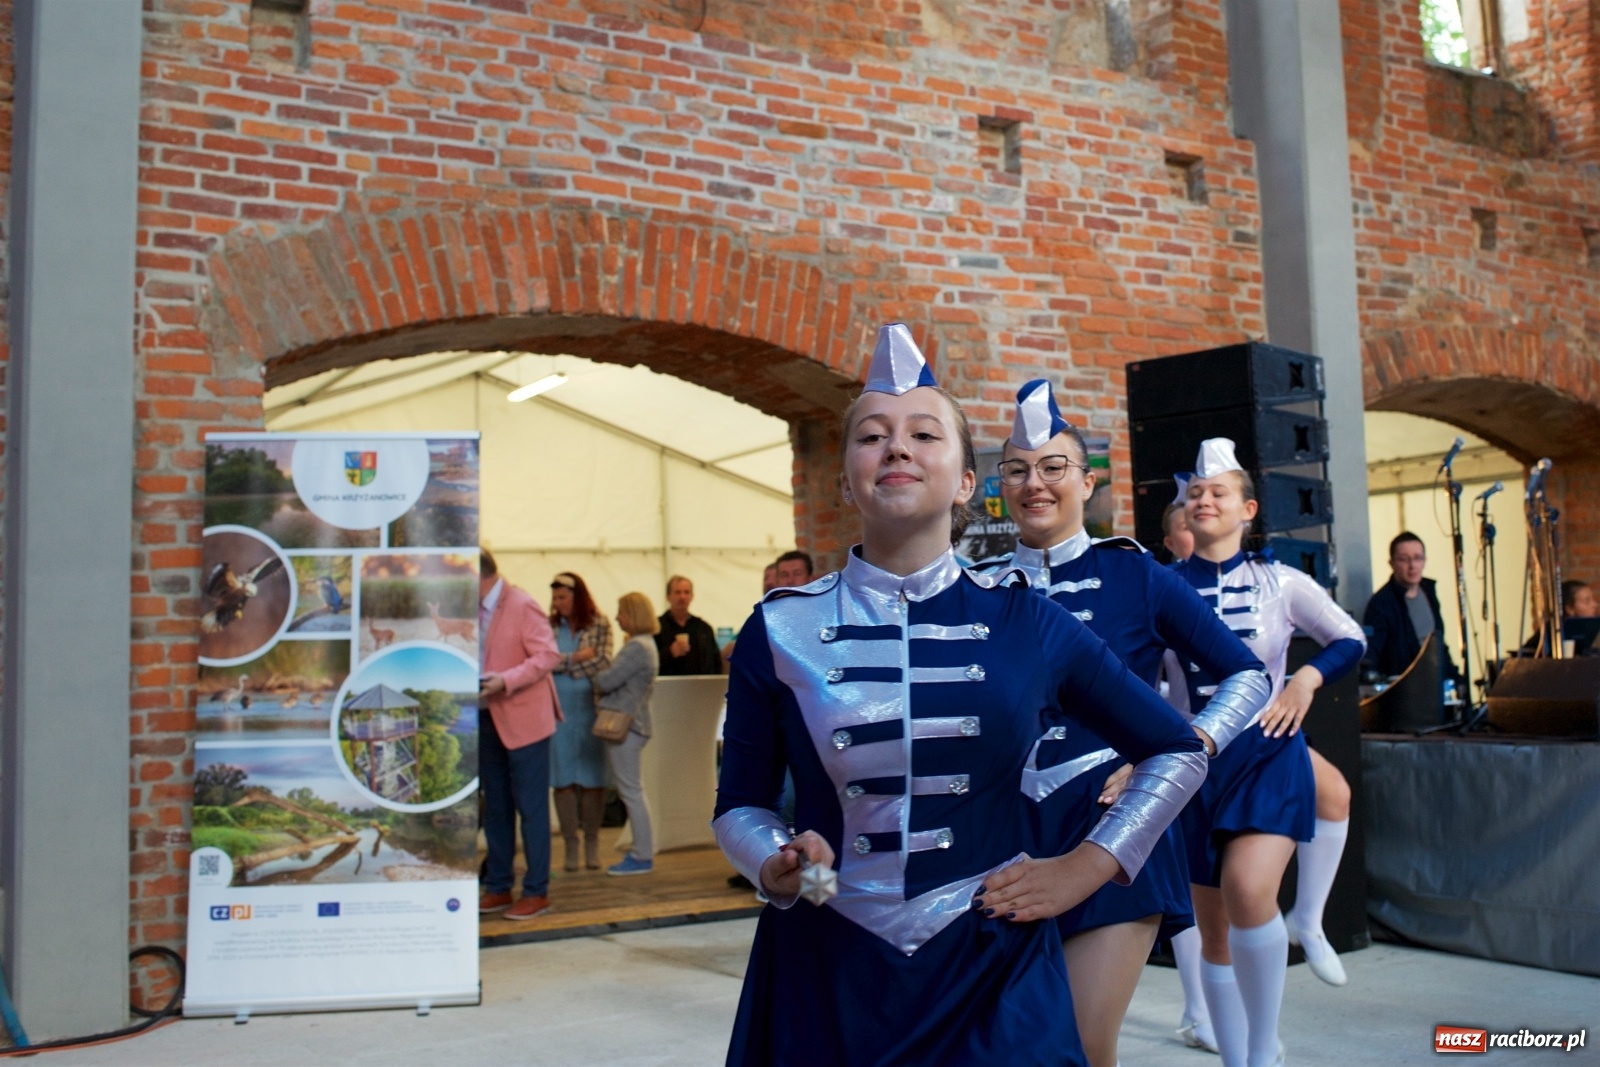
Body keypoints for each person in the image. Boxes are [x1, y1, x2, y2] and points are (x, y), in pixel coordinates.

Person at [713, 324, 1207, 1066]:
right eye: (872, 435)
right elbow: (739, 805)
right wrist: (781, 862)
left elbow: (1175, 747)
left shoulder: (1032, 622)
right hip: (827, 954)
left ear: (968, 482)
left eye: (923, 433)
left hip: (991, 959)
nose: (897, 447)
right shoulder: (777, 628)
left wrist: (1090, 863)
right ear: (846, 478)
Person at [975, 381, 1270, 1067]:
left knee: (1079, 1045)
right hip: (998, 835)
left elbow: (1247, 675)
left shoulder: (1136, 574)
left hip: (1115, 828)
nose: (1034, 483)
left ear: (1089, 480)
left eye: (1053, 467)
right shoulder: (975, 586)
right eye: (1017, 469)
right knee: (1000, 1045)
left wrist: (1176, 746)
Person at [1171, 439, 1366, 1066]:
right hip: (1192, 763)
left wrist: (1306, 680)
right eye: (1195, 492)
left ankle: (1261, 1048)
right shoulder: (1161, 587)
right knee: (1213, 931)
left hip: (1265, 750)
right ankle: (1239, 1057)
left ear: (1247, 508)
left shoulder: (1281, 583)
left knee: (1249, 888)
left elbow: (1349, 637)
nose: (1203, 500)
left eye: (1218, 492)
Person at [477, 549, 564, 921]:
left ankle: (536, 891)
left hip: (525, 720)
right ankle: (497, 885)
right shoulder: (473, 608)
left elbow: (548, 656)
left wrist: (505, 681)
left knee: (531, 810)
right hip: (486, 716)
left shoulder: (522, 603)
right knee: (495, 805)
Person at [548, 572, 612, 872]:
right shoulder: (547, 626)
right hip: (557, 712)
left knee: (592, 781)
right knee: (562, 780)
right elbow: (544, 661)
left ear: (578, 596)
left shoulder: (600, 623)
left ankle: (591, 843)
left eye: (563, 597)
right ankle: (570, 844)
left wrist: (563, 664)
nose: (558, 603)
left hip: (591, 710)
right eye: (555, 598)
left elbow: (603, 661)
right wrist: (575, 658)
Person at [596, 592, 661, 876]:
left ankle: (642, 855)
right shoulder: (646, 645)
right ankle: (642, 852)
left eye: (621, 612)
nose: (617, 617)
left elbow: (606, 680)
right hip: (637, 725)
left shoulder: (636, 647)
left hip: (627, 726)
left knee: (631, 792)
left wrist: (595, 665)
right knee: (633, 791)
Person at [1362, 532, 1461, 682]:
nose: (1412, 566)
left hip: (1435, 682)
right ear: (1392, 563)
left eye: (1417, 558)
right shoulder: (1381, 603)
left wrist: (1456, 679)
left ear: (1424, 561)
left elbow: (1439, 644)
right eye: (1404, 559)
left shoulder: (1429, 592)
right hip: (1405, 687)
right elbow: (1373, 652)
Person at [655, 575, 723, 676]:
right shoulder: (656, 627)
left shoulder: (703, 629)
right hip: (667, 688)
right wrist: (669, 653)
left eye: (686, 592)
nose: (682, 597)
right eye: (677, 592)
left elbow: (716, 663)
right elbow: (646, 664)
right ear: (668, 596)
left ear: (692, 596)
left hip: (700, 688)